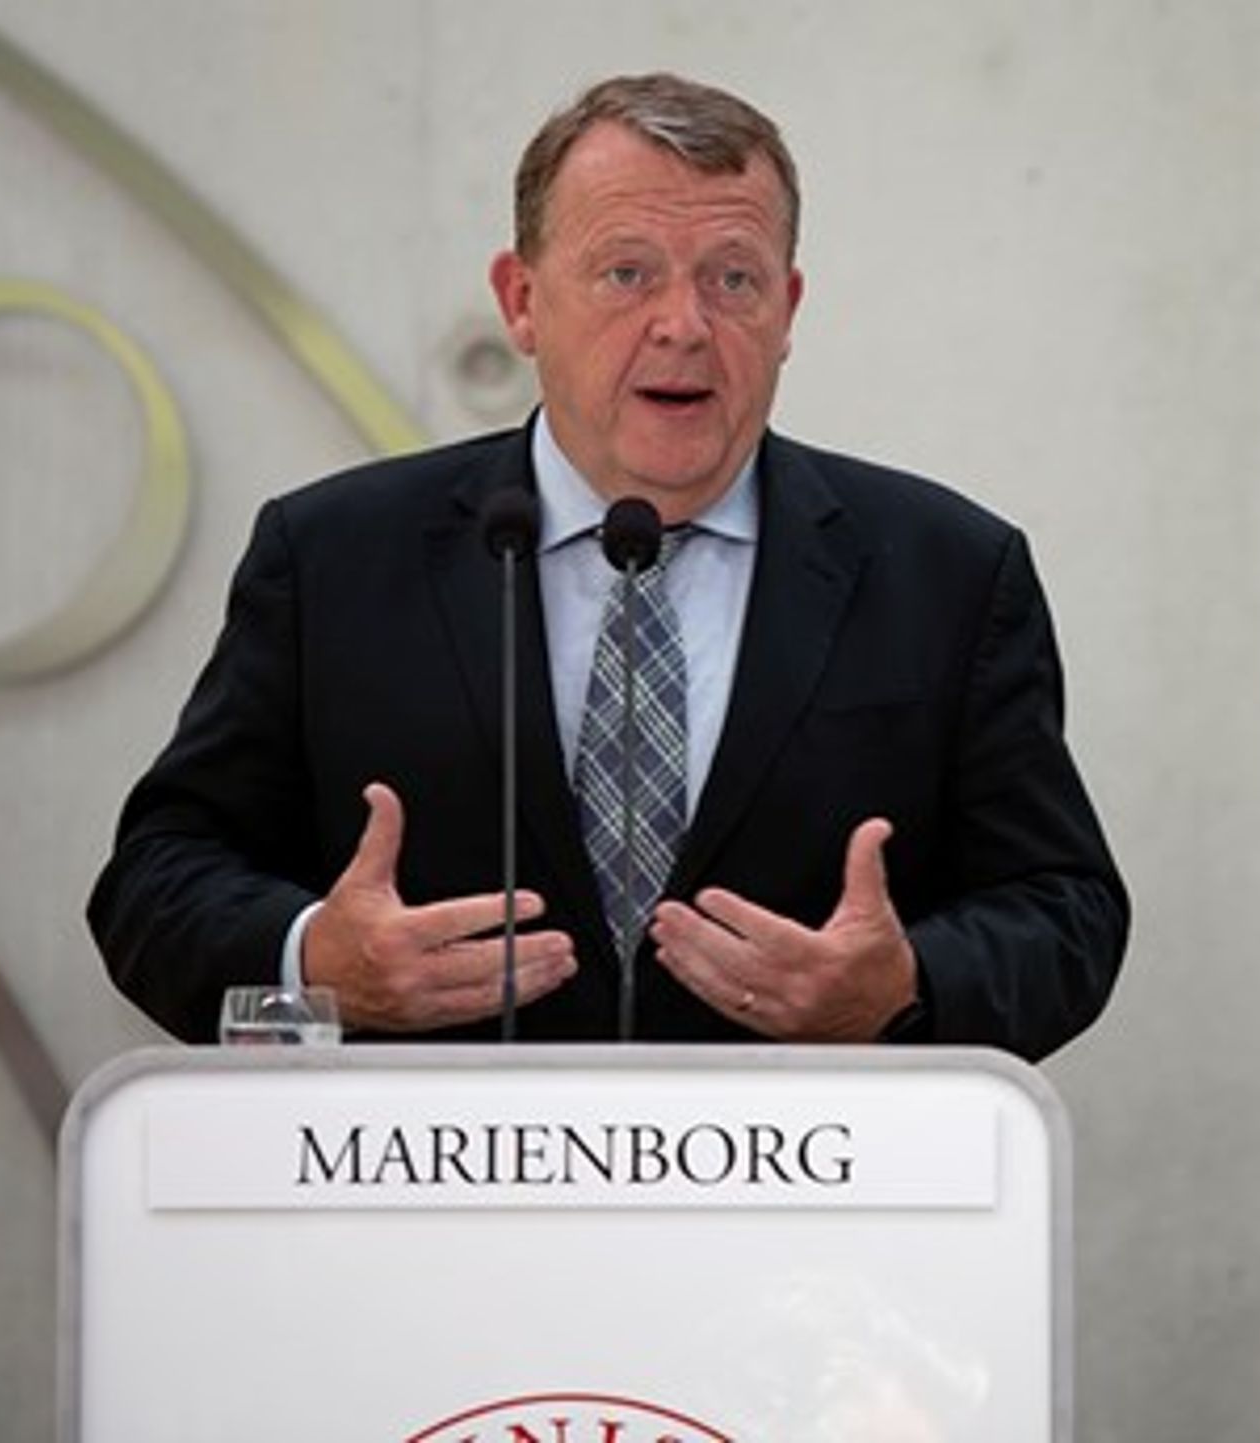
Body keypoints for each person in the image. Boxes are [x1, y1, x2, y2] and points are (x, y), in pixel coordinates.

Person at [87, 73, 1126, 1060]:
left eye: (733, 279)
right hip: (434, 1173)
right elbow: (155, 881)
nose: (684, 325)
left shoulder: (946, 573)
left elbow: (1064, 910)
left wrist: (905, 987)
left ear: (788, 310)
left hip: (803, 1178)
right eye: (627, 273)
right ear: (522, 300)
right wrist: (314, 959)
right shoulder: (334, 559)